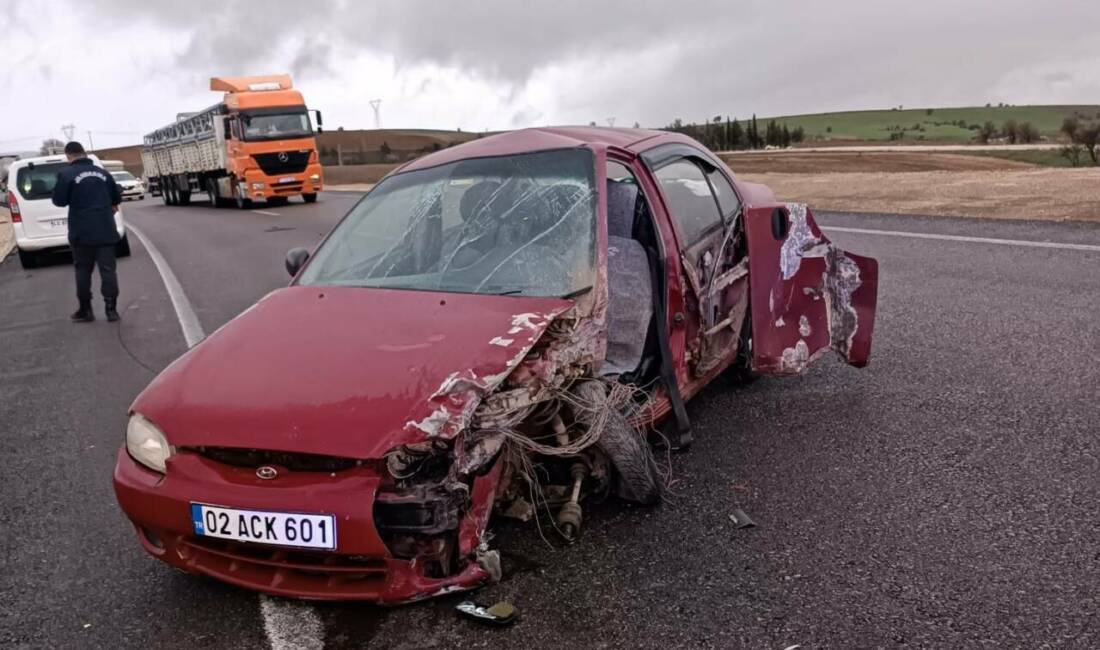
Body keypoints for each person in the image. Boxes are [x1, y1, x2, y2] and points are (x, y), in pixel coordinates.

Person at [51, 141, 122, 322]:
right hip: (105, 229)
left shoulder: (65, 174)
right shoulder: (103, 174)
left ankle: (85, 309)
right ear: (84, 153)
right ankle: (111, 310)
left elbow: (59, 201)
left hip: (81, 232)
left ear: (68, 155)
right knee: (108, 271)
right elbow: (117, 197)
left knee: (82, 270)